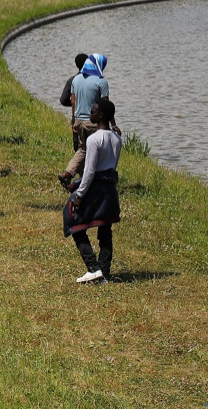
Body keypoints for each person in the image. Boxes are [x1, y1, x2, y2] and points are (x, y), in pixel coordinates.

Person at [64, 99, 121, 284]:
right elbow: (113, 166)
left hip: (95, 188)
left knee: (73, 221)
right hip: (109, 189)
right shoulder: (117, 138)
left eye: (93, 112)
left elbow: (89, 171)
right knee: (105, 228)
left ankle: (93, 268)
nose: (90, 114)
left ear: (101, 115)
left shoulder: (94, 139)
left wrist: (80, 195)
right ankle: (105, 272)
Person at [60, 54, 118, 189]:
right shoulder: (101, 81)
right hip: (94, 123)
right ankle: (93, 181)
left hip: (79, 122)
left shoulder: (76, 79)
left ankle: (67, 173)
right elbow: (106, 106)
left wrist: (74, 121)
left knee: (83, 149)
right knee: (99, 153)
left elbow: (73, 102)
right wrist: (113, 125)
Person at [59, 53, 89, 151]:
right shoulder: (95, 79)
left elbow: (63, 100)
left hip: (77, 117)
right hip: (92, 118)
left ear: (76, 65)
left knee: (78, 147)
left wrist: (77, 103)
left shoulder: (72, 80)